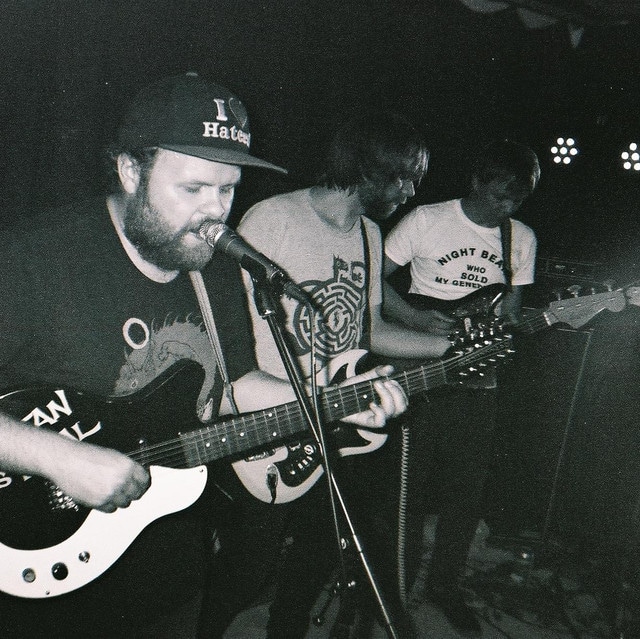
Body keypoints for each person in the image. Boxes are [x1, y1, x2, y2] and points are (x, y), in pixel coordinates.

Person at [0, 72, 407, 639]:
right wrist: (59, 458)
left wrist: (335, 400)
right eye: (193, 189)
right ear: (130, 171)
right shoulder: (35, 258)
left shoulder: (214, 271)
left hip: (168, 561)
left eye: (228, 190)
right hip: (36, 562)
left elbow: (235, 383)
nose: (215, 212)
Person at [202, 111, 453, 639]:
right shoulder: (273, 219)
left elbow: (371, 329)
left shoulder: (369, 235)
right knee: (247, 568)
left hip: (337, 422)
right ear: (367, 167)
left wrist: (449, 349)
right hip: (268, 424)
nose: (409, 191)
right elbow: (225, 332)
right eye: (402, 177)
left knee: (321, 551)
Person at [383, 139, 541, 637]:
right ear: (476, 181)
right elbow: (371, 281)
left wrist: (521, 328)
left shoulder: (522, 239)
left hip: (478, 380)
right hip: (419, 370)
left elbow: (511, 313)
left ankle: (444, 587)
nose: (506, 208)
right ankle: (396, 586)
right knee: (409, 489)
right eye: (499, 195)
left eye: (517, 199)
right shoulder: (426, 220)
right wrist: (415, 318)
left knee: (466, 491)